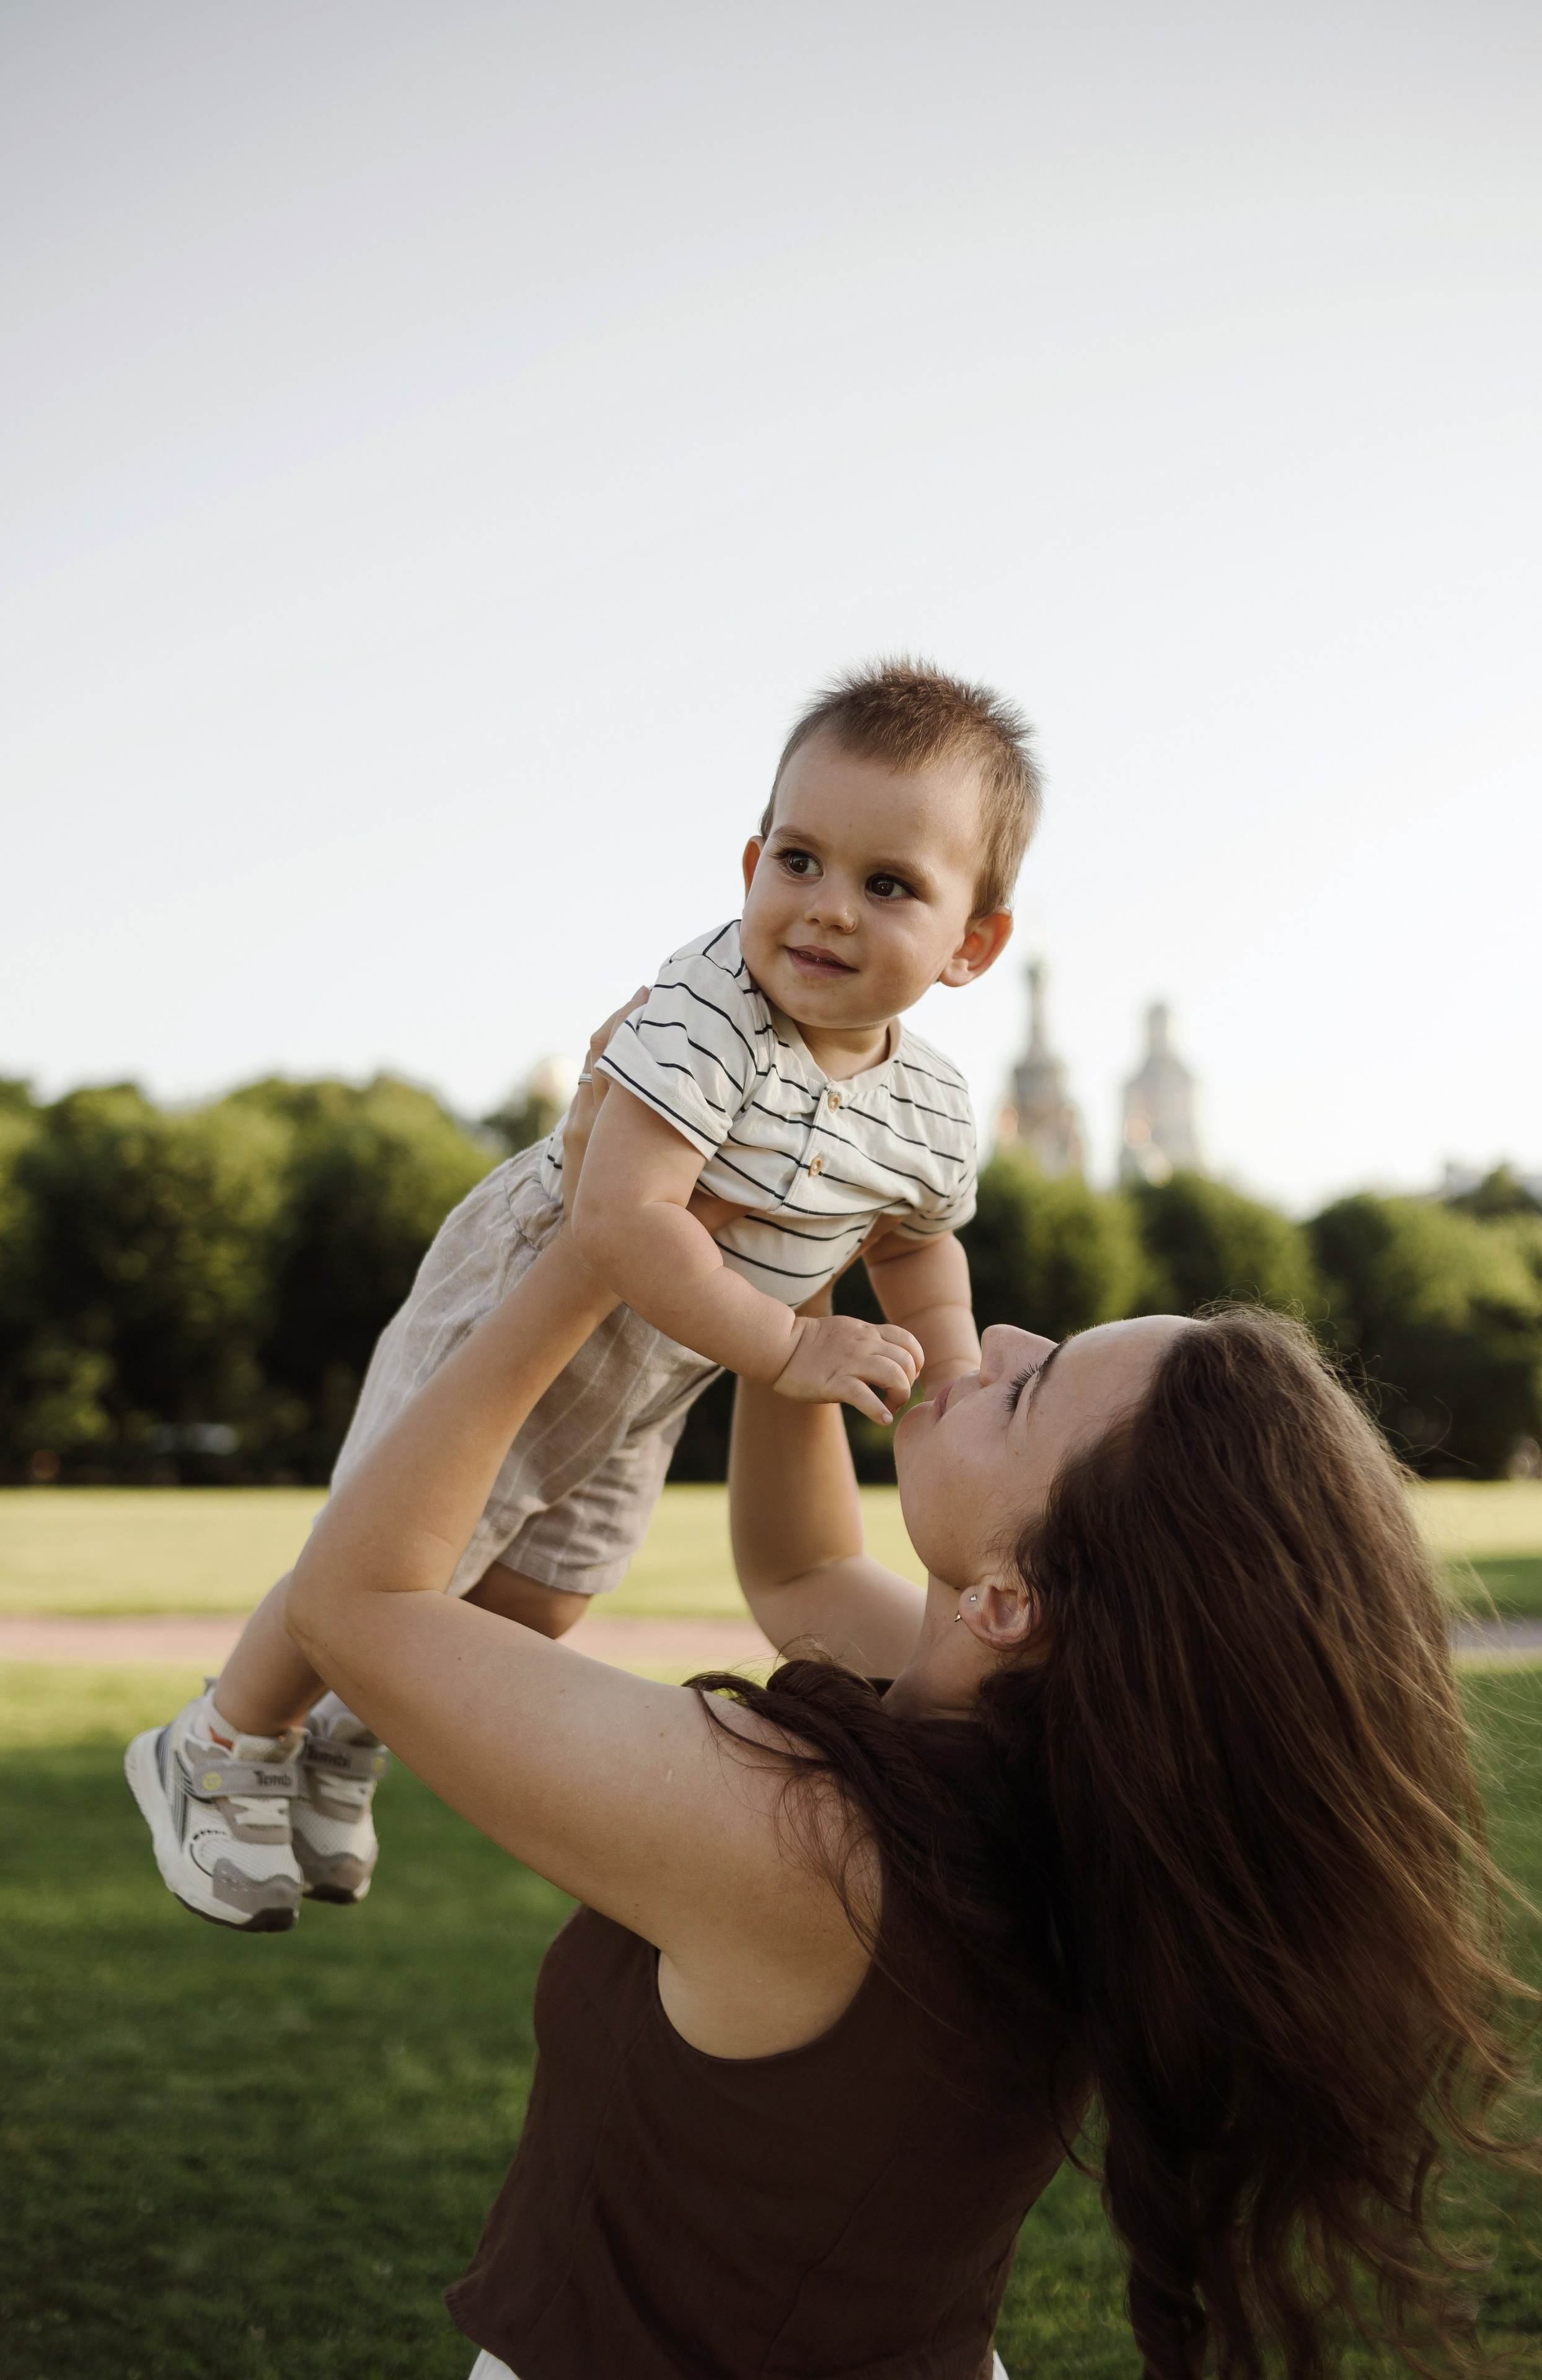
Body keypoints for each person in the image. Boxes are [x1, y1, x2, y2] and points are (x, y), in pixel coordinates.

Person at [276, 1036, 1531, 2380]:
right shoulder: (1054, 1770)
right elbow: (801, 1571)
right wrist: (799, 1267)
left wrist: (595, 1252)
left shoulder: (803, 1845)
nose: (995, 1336)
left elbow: (355, 1611)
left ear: (1011, 1600)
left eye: (1034, 1386)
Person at [126, 658, 1040, 1928]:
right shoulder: (707, 1009)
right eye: (797, 860)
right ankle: (218, 1748)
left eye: (886, 885)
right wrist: (787, 1350)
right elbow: (619, 1219)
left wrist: (941, 1360)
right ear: (748, 865)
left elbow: (914, 1247)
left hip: (662, 1359)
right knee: (397, 1544)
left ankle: (348, 1727)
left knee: (546, 1592)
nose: (824, 909)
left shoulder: (929, 1106)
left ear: (971, 944)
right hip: (529, 1294)